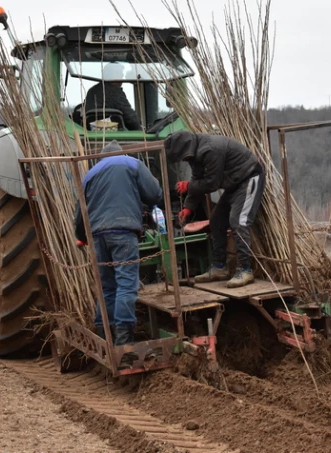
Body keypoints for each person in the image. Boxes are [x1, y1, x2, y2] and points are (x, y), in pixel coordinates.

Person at [74, 140, 162, 367]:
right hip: (123, 232)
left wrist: (81, 236)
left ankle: (104, 336)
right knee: (126, 284)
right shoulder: (132, 162)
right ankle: (124, 342)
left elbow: (80, 211)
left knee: (107, 286)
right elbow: (154, 194)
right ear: (121, 153)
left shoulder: (90, 173)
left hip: (97, 236)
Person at [164, 131, 265, 288]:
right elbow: (198, 179)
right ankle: (219, 267)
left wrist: (187, 186)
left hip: (248, 178)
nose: (183, 160)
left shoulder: (210, 150)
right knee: (217, 220)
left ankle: (245, 269)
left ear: (186, 149)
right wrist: (188, 207)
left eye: (182, 157)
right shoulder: (195, 154)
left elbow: (211, 183)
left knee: (238, 221)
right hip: (234, 183)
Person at [76, 63, 142, 131]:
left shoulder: (92, 91)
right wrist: (141, 130)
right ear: (112, 76)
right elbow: (130, 118)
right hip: (113, 134)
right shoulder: (115, 92)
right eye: (119, 73)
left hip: (91, 132)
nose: (122, 75)